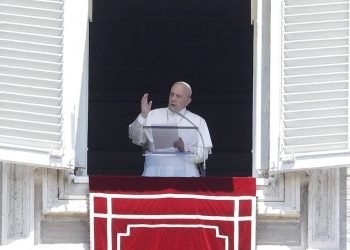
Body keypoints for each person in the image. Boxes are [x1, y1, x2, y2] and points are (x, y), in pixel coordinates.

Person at [128, 81, 213, 177]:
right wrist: (143, 116)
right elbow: (135, 138)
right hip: (155, 172)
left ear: (188, 101)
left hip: (185, 174)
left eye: (178, 96)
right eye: (171, 94)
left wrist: (185, 148)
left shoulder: (197, 121)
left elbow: (204, 154)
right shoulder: (153, 114)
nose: (173, 99)